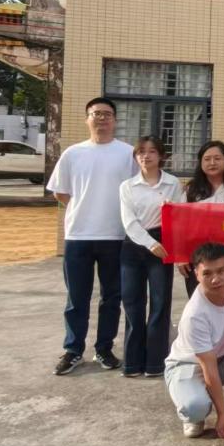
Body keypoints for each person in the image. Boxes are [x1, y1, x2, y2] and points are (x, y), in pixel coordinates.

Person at [46, 97, 137, 375]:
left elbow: (137, 190)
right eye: (96, 113)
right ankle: (73, 350)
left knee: (111, 297)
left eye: (107, 114)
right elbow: (61, 192)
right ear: (87, 119)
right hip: (78, 236)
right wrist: (83, 209)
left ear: (115, 120)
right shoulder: (73, 153)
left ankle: (104, 348)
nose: (102, 118)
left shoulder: (128, 154)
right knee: (77, 297)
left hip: (116, 235)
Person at [119, 135, 185, 378]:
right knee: (132, 303)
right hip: (134, 245)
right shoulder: (127, 186)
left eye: (152, 151)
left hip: (162, 244)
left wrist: (171, 247)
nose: (146, 156)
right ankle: (132, 362)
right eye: (141, 152)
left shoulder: (172, 183)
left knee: (160, 303)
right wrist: (150, 243)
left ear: (161, 156)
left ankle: (155, 363)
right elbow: (129, 222)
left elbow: (179, 215)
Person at [164, 242, 224, 439]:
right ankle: (192, 412)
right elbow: (208, 368)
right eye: (207, 274)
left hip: (223, 357)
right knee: (196, 407)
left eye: (221, 271)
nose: (216, 279)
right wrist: (222, 414)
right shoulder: (195, 315)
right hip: (189, 364)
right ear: (196, 274)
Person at [181, 140, 224, 297]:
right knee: (198, 298)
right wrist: (180, 256)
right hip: (197, 255)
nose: (212, 163)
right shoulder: (191, 190)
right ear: (200, 163)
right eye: (207, 159)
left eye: (217, 158)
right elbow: (181, 223)